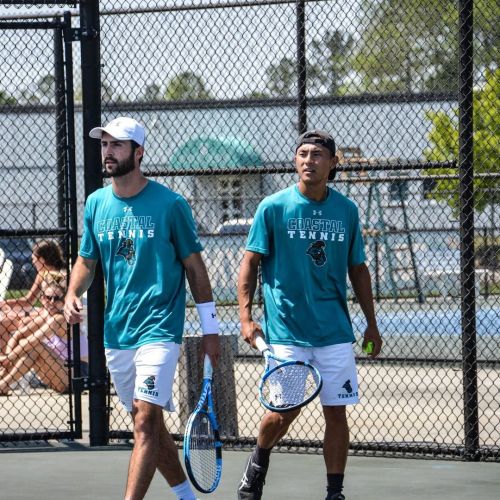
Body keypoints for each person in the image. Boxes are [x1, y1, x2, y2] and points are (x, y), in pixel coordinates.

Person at [63, 116, 221, 500]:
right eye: (104, 145)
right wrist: (72, 293)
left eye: (117, 145)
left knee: (146, 421)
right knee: (146, 424)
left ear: (139, 152)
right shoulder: (97, 203)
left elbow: (195, 268)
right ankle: (186, 496)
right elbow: (87, 261)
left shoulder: (171, 205)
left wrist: (210, 329)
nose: (108, 152)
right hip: (117, 333)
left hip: (159, 330)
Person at [237, 130, 382, 500]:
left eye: (317, 154)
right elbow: (250, 263)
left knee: (337, 414)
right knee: (282, 414)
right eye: (302, 154)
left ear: (333, 163)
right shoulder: (272, 207)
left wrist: (371, 322)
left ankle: (335, 492)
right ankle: (257, 466)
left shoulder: (346, 210)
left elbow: (358, 269)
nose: (308, 160)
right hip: (286, 333)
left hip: (334, 333)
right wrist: (245, 318)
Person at [0, 272, 69, 395]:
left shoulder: (59, 319)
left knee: (36, 346)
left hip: (70, 377)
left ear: (64, 301)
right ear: (42, 298)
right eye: (48, 297)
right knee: (26, 345)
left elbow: (32, 341)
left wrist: (8, 358)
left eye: (57, 298)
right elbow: (18, 335)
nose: (52, 302)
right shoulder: (44, 316)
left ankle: (3, 385)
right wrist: (8, 357)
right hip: (52, 374)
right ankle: (2, 382)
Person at [0, 239, 65, 350]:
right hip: (40, 313)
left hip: (52, 318)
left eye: (34, 259)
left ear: (42, 260)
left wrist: (23, 315)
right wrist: (4, 303)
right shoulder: (42, 274)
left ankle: (7, 360)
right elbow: (29, 300)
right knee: (4, 319)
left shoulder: (61, 276)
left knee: (9, 323)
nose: (33, 262)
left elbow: (54, 305)